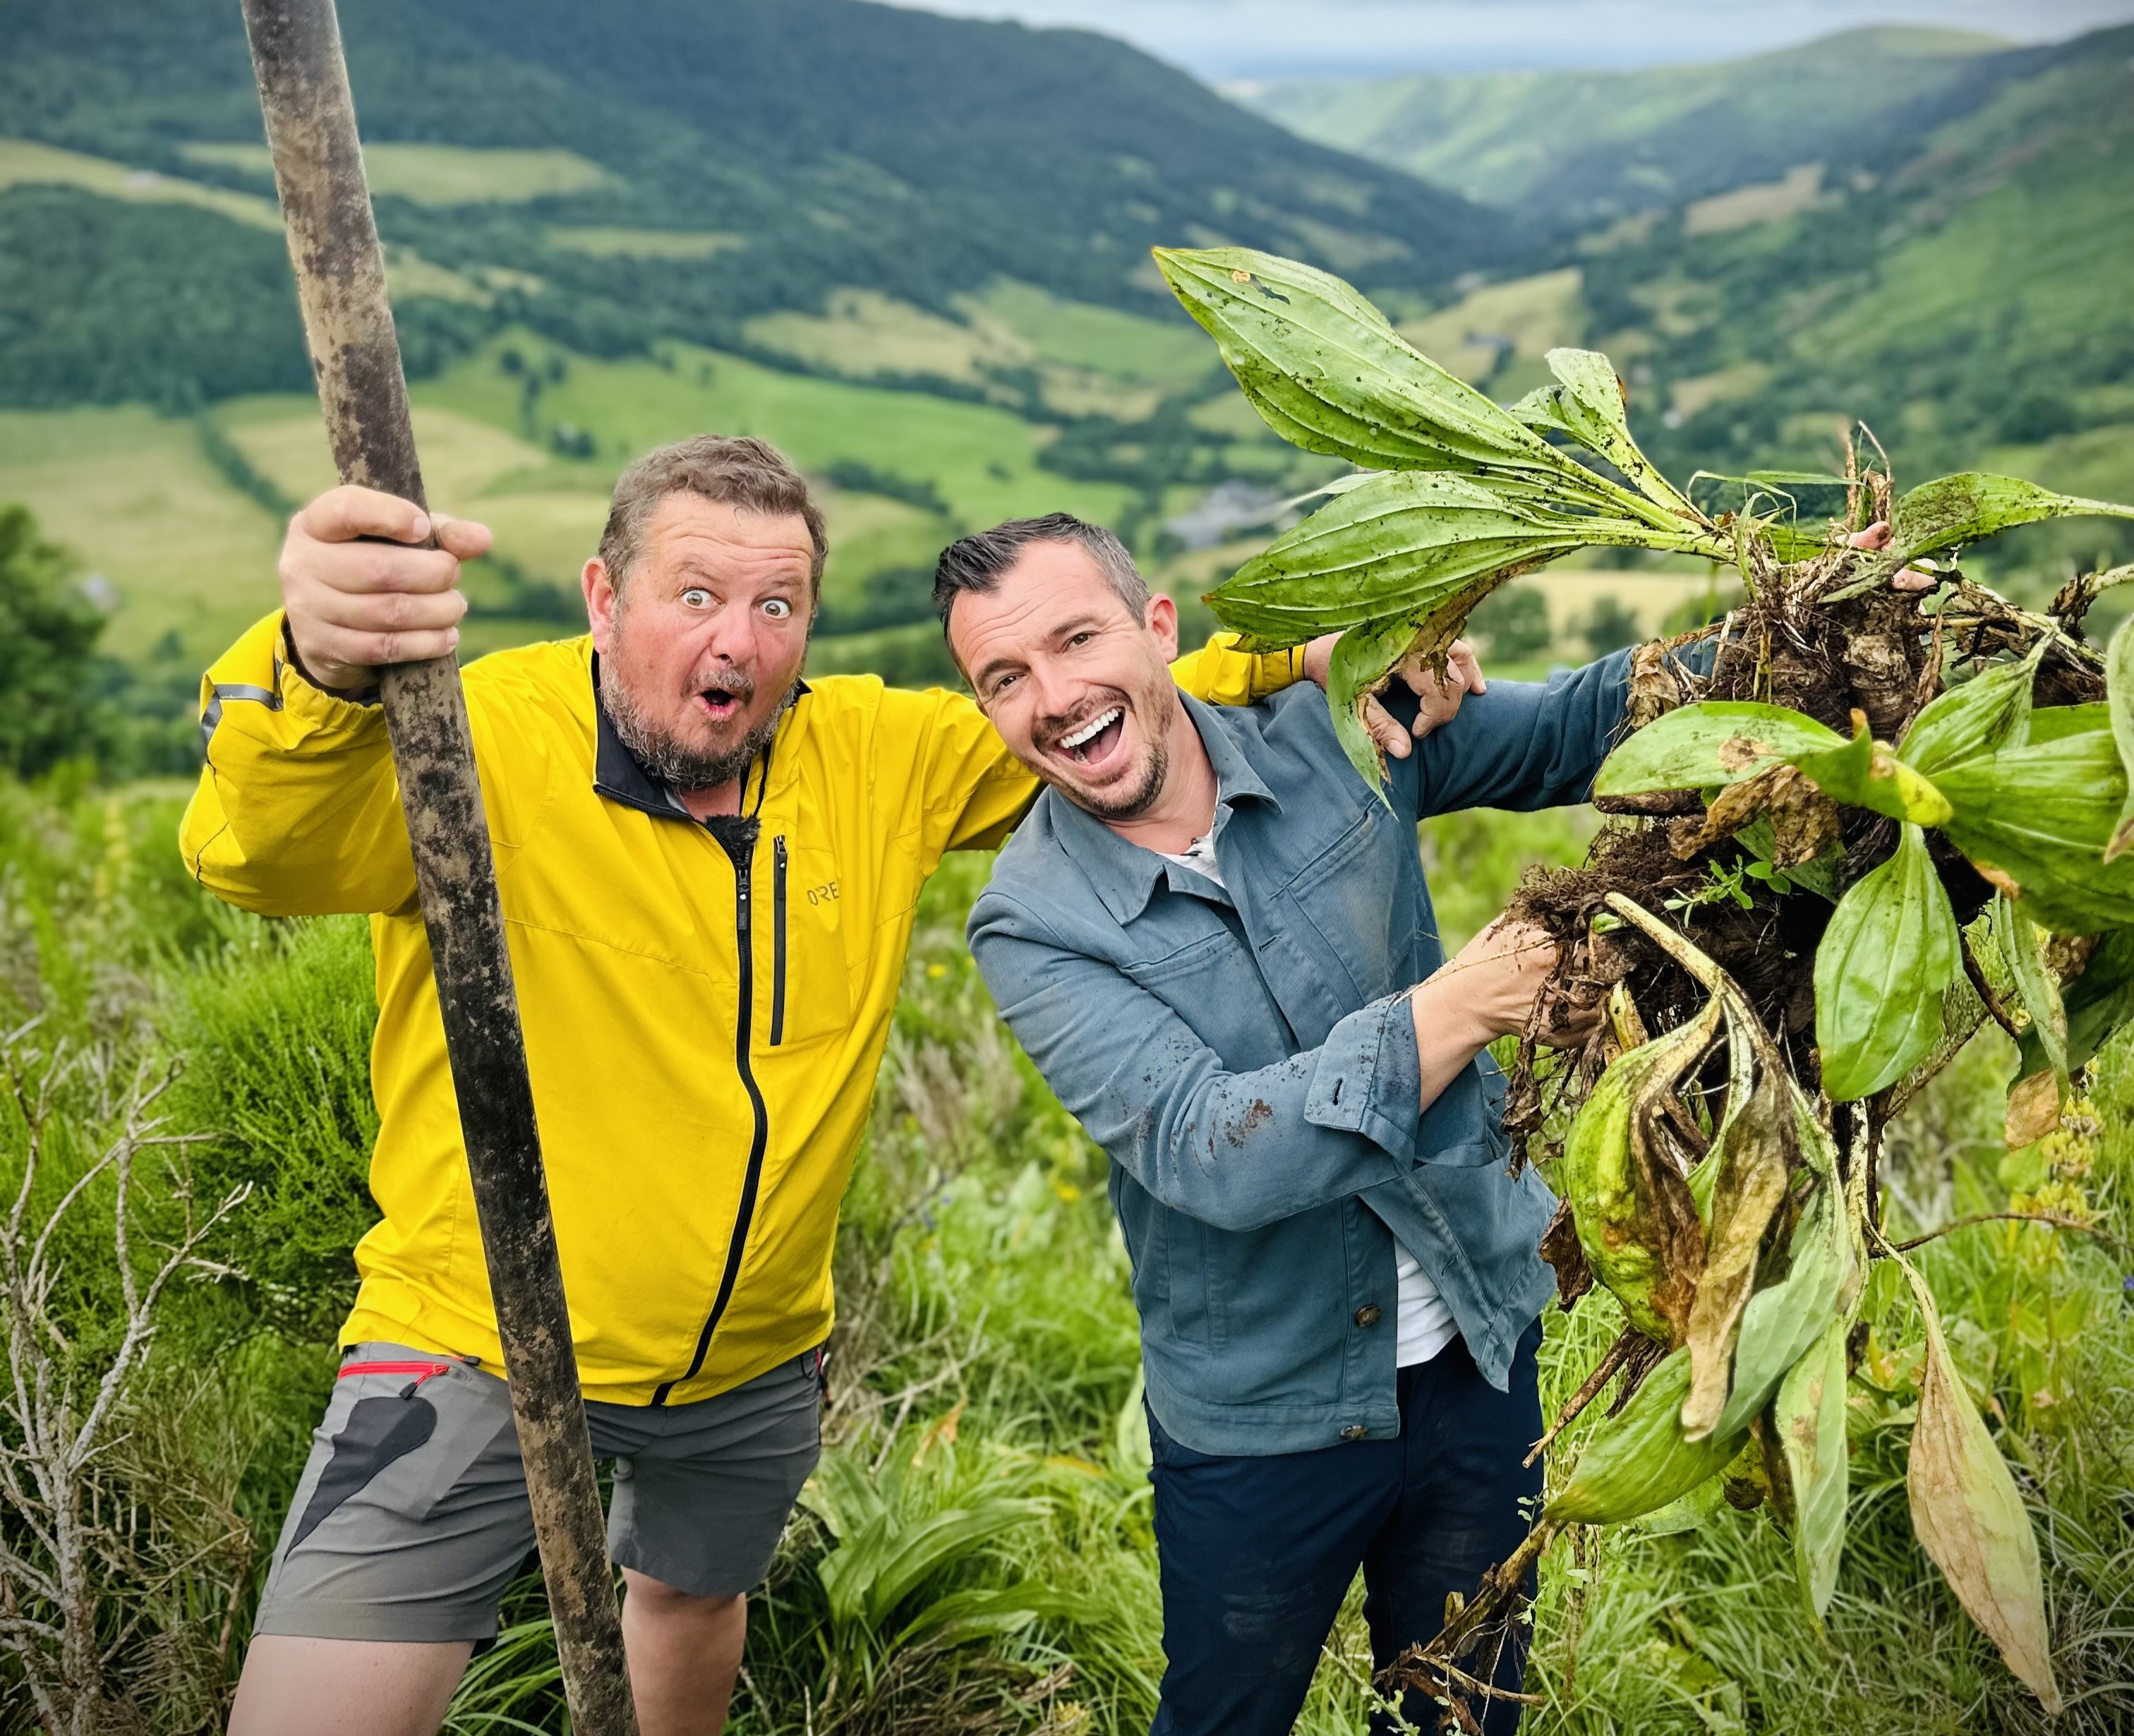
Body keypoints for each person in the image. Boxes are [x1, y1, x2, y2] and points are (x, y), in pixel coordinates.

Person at [189, 438, 1426, 1736]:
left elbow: (1108, 689)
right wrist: (318, 664)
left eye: (777, 606)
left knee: (687, 1602)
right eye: (695, 595)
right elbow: (260, 850)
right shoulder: (480, 739)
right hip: (470, 1336)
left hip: (753, 1355)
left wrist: (1315, 652)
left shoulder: (869, 757)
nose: (738, 640)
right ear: (604, 598)